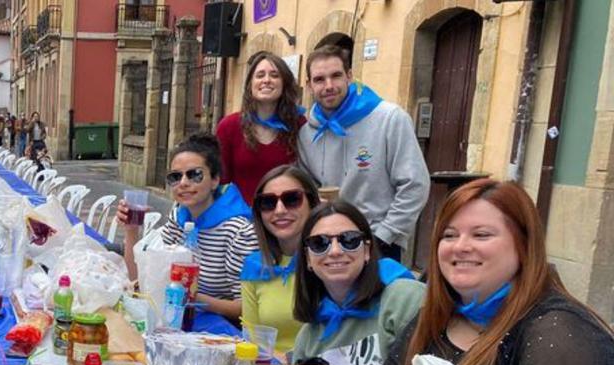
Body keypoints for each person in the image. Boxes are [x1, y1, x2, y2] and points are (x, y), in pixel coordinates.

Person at [363, 180, 614, 365]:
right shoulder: (439, 316)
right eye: (448, 235)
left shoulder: (560, 329)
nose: (460, 246)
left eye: (481, 235)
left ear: (524, 245)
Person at [299, 45, 429, 261]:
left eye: (336, 76)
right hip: (329, 245)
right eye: (320, 79)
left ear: (349, 76)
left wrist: (384, 236)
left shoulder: (390, 119)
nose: (329, 85)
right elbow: (308, 189)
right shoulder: (306, 134)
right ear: (309, 85)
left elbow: (415, 185)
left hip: (379, 242)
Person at [291, 200, 423, 365]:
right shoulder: (308, 338)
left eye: (349, 240)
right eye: (320, 243)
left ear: (367, 251)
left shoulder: (404, 298)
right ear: (307, 258)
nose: (334, 251)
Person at [118, 132, 256, 326]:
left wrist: (191, 296)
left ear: (215, 179)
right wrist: (131, 230)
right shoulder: (179, 218)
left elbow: (247, 307)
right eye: (176, 177)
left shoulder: (238, 232)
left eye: (195, 175)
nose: (183, 183)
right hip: (176, 321)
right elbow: (138, 278)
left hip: (220, 330)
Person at [239, 164, 320, 355]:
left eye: (292, 199)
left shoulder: (332, 260)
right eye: (268, 202)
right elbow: (252, 339)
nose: (280, 210)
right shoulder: (255, 267)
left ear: (312, 203)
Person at [216, 51, 305, 201]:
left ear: (285, 83)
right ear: (250, 84)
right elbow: (219, 181)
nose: (267, 80)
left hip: (284, 216)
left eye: (275, 75)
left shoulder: (299, 125)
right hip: (240, 219)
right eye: (260, 75)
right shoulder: (229, 127)